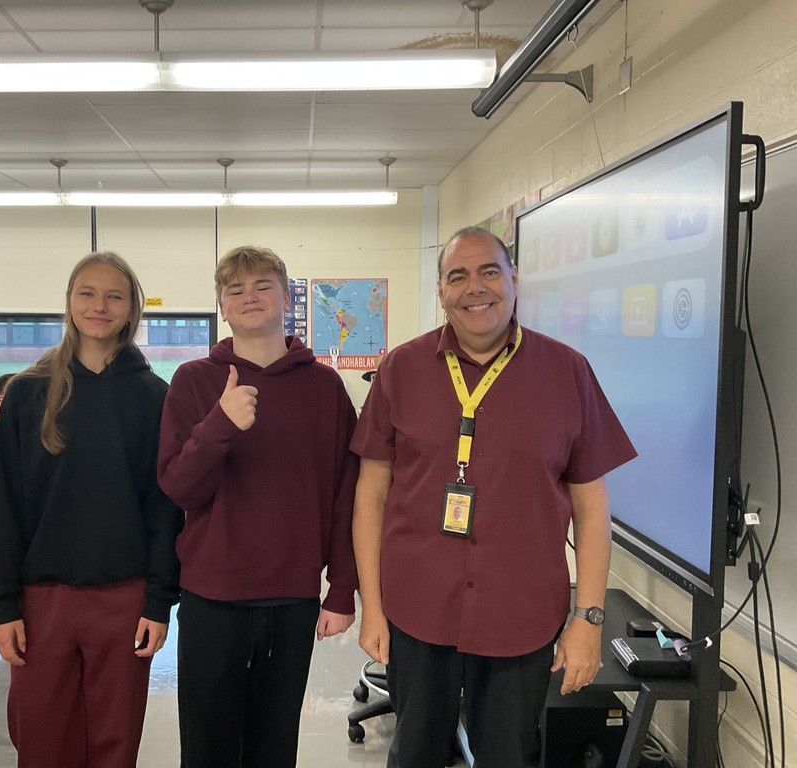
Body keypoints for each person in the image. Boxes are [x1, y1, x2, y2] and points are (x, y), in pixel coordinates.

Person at [351, 227, 637, 768]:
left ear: (514, 280)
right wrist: (374, 607)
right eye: (457, 275)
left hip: (522, 614)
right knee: (413, 754)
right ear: (441, 291)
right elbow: (372, 495)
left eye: (488, 271)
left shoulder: (567, 371)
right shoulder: (401, 370)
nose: (474, 287)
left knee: (508, 756)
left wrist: (589, 619)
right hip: (417, 608)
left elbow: (592, 509)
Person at [0, 251, 183, 768]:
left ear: (132, 308)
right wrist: (4, 605)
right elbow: (5, 505)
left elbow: (163, 509)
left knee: (115, 740)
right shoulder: (26, 393)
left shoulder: (155, 396)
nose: (100, 305)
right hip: (42, 598)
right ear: (69, 303)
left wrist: (159, 601)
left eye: (115, 295)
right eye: (87, 293)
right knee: (42, 737)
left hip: (124, 596)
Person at [157, 245, 359, 768]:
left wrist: (341, 590)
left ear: (287, 297)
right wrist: (219, 425)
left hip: (290, 597)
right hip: (211, 594)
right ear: (222, 306)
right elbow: (179, 486)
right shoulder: (194, 380)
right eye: (235, 290)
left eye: (262, 286)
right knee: (206, 745)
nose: (249, 297)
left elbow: (345, 494)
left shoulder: (325, 387)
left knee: (274, 744)